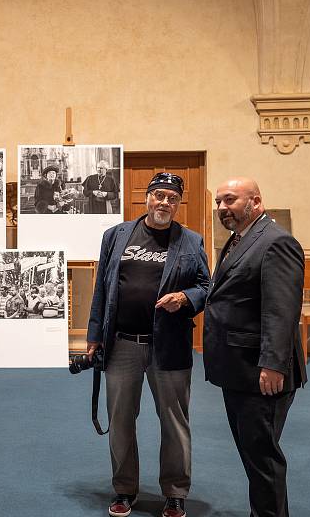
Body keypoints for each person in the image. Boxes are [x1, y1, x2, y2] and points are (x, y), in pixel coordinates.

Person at [87, 172, 210, 517]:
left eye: (172, 198)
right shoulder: (116, 236)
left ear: (178, 203)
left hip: (168, 345)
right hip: (122, 343)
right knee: (121, 419)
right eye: (159, 196)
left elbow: (207, 286)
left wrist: (186, 298)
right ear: (147, 197)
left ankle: (175, 492)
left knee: (174, 421)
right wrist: (94, 335)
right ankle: (125, 489)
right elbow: (102, 290)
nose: (165, 203)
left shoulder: (190, 241)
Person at [204, 177, 306, 517]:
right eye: (218, 201)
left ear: (256, 202)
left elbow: (282, 310)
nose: (222, 208)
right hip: (239, 369)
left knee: (263, 459)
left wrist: (274, 364)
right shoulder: (237, 240)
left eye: (230, 200)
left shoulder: (276, 242)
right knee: (253, 454)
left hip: (261, 373)